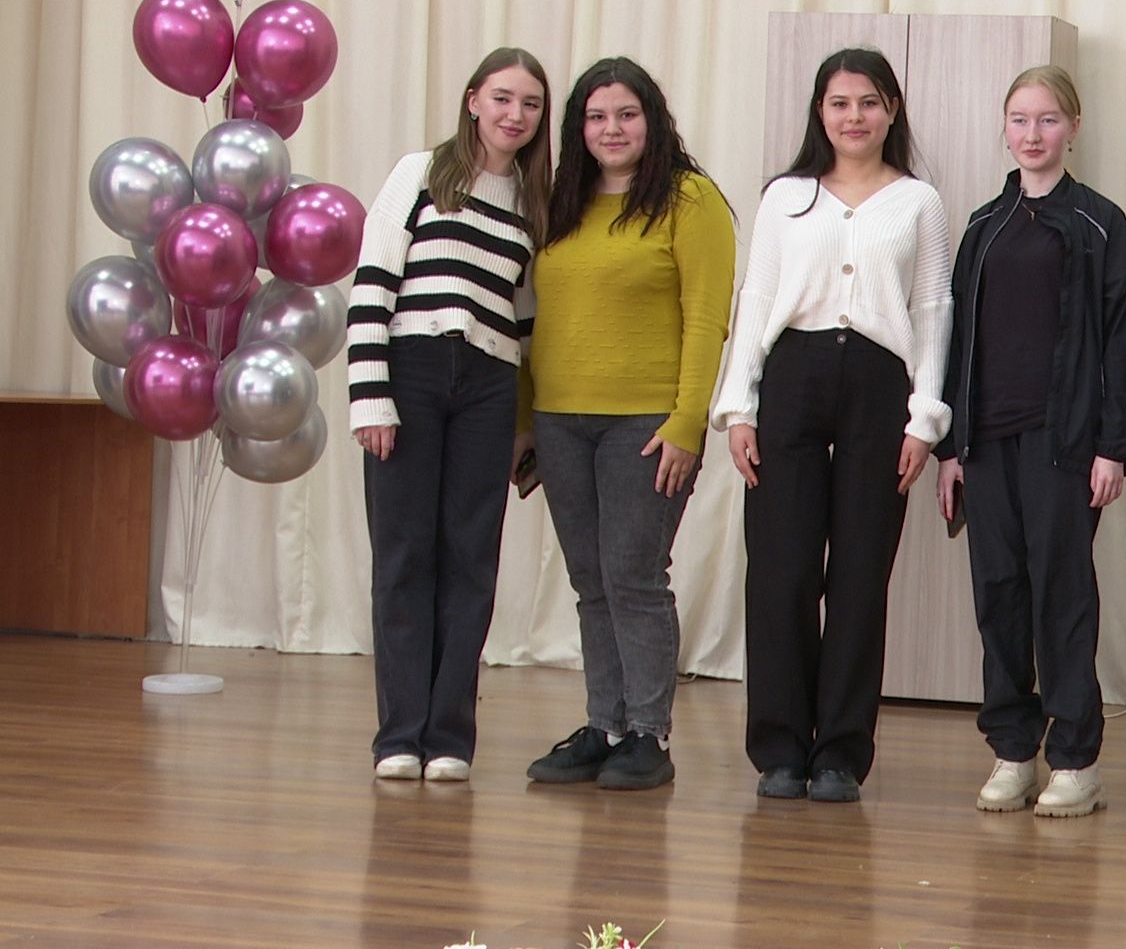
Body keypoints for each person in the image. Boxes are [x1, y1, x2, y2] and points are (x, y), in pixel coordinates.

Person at [711, 47, 952, 803]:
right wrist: (738, 406)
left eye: (870, 102)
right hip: (793, 379)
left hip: (881, 387)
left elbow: (932, 313)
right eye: (841, 102)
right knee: (782, 572)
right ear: (821, 110)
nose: (855, 116)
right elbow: (756, 298)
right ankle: (780, 749)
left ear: (891, 112)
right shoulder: (784, 197)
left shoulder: (919, 201)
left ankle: (841, 753)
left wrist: (925, 421)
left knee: (858, 577)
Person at [934, 65, 1126, 817]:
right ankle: (1012, 750)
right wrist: (951, 448)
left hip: (1066, 445)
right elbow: (955, 340)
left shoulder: (1099, 223)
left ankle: (1073, 759)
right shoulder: (980, 227)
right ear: (1005, 128)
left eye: (1049, 120)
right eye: (1021, 120)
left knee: (1062, 597)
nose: (1033, 134)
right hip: (986, 446)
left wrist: (1111, 445)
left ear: (1074, 128)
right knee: (999, 595)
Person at [519, 58, 735, 791]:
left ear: (654, 119)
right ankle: (604, 724)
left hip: (646, 422)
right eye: (596, 117)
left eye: (627, 114)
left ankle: (648, 731)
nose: (612, 130)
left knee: (634, 576)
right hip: (559, 420)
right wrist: (525, 420)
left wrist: (687, 422)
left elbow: (708, 320)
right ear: (578, 129)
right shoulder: (562, 201)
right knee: (590, 582)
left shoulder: (690, 198)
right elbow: (531, 318)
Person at [348, 46, 553, 782]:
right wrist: (371, 395)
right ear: (473, 100)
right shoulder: (420, 173)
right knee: (405, 554)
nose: (514, 114)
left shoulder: (535, 203)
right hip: (412, 369)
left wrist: (525, 425)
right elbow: (371, 284)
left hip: (491, 386)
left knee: (472, 557)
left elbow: (527, 324)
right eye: (502, 98)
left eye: (529, 103)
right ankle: (399, 734)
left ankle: (451, 737)